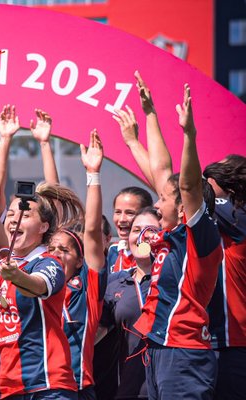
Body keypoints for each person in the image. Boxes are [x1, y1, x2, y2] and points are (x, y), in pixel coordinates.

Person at [0, 160, 77, 399]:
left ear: (43, 227)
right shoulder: (2, 268)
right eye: (9, 214)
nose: (13, 219)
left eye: (24, 214)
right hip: (9, 386)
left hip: (48, 383)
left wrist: (17, 276)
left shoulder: (49, 262)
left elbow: (36, 287)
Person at [131, 82, 222, 399]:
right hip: (159, 349)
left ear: (184, 206)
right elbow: (162, 170)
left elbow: (187, 185)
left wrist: (189, 136)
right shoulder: (173, 233)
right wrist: (149, 115)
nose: (156, 205)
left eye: (164, 199)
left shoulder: (200, 236)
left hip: (183, 354)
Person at [47, 130, 107, 400]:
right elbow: (51, 210)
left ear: (80, 259)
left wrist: (92, 174)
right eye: (52, 249)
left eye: (65, 250)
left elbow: (92, 231)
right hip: (38, 388)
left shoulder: (87, 290)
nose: (57, 253)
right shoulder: (35, 283)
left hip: (77, 389)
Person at [99, 207, 160, 399]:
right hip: (130, 388)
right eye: (136, 230)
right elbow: (97, 333)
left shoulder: (175, 277)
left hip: (170, 383)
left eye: (150, 230)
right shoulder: (115, 281)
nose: (142, 236)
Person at [203, 154, 246, 400]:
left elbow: (188, 192)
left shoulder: (239, 218)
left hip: (234, 345)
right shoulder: (228, 219)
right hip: (217, 344)